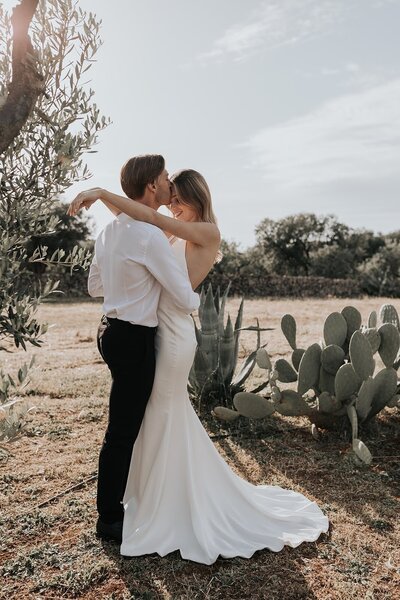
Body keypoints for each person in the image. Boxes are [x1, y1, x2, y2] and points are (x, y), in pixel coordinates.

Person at [68, 168, 329, 565]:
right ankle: (156, 494)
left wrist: (102, 193)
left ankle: (171, 499)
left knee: (162, 410)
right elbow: (143, 228)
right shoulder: (174, 232)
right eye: (170, 197)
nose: (171, 205)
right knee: (157, 415)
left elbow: (148, 218)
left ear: (194, 199)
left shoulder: (205, 232)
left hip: (173, 334)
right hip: (154, 331)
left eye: (178, 199)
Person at [75, 155, 200, 544]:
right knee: (122, 430)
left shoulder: (109, 232)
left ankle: (136, 497)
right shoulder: (148, 235)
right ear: (151, 186)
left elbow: (96, 288)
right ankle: (110, 518)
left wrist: (127, 284)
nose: (168, 183)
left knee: (125, 423)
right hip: (134, 340)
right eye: (164, 177)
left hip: (108, 331)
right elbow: (184, 298)